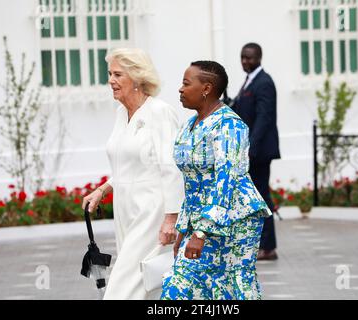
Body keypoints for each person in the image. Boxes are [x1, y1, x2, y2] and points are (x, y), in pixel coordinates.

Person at [160, 61, 271, 300]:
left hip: (236, 220)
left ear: (206, 88)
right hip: (201, 219)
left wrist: (201, 232)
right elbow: (192, 185)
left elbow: (226, 179)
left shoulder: (230, 125)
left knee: (234, 285)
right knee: (192, 286)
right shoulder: (189, 125)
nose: (180, 89)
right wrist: (184, 227)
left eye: (186, 83)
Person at [82, 48, 184, 299]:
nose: (111, 80)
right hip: (125, 209)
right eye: (110, 73)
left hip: (151, 210)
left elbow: (171, 166)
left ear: (137, 77)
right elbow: (127, 164)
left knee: (121, 287)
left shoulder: (159, 112)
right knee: (137, 283)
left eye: (118, 74)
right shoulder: (121, 113)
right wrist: (103, 189)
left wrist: (171, 218)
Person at [231, 43, 281, 261]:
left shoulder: (264, 82)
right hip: (252, 149)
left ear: (259, 57)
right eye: (242, 57)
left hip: (259, 152)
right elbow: (244, 108)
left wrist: (250, 147)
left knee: (261, 198)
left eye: (249, 58)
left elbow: (264, 118)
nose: (245, 61)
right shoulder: (249, 80)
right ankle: (258, 243)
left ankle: (268, 247)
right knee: (255, 197)